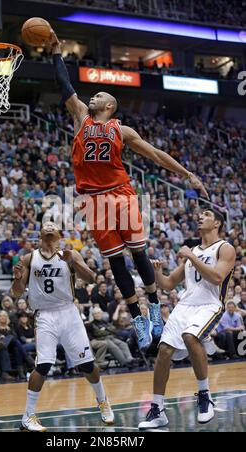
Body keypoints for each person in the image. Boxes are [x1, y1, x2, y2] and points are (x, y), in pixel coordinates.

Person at [50, 32, 208, 351]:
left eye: (98, 96)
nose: (91, 97)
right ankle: (137, 317)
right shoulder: (81, 118)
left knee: (138, 254)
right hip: (94, 202)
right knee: (116, 264)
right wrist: (55, 54)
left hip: (121, 195)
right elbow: (65, 87)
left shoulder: (122, 130)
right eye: (91, 95)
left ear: (109, 105)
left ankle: (153, 304)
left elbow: (156, 155)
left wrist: (187, 173)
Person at [11, 221, 114, 432]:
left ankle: (103, 400)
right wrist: (17, 279)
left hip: (68, 312)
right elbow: (16, 292)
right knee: (43, 365)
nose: (49, 227)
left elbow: (90, 278)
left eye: (53, 225)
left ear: (59, 233)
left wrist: (74, 264)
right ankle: (28, 416)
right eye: (45, 225)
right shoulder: (29, 258)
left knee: (87, 365)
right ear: (40, 234)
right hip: (44, 315)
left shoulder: (70, 254)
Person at [138, 209, 236, 429]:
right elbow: (169, 284)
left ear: (217, 223)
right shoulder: (193, 250)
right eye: (199, 214)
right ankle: (157, 410)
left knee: (190, 336)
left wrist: (191, 257)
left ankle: (204, 396)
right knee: (163, 350)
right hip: (185, 305)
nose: (200, 217)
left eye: (207, 214)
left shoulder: (225, 248)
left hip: (209, 304)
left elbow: (218, 277)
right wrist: (157, 272)